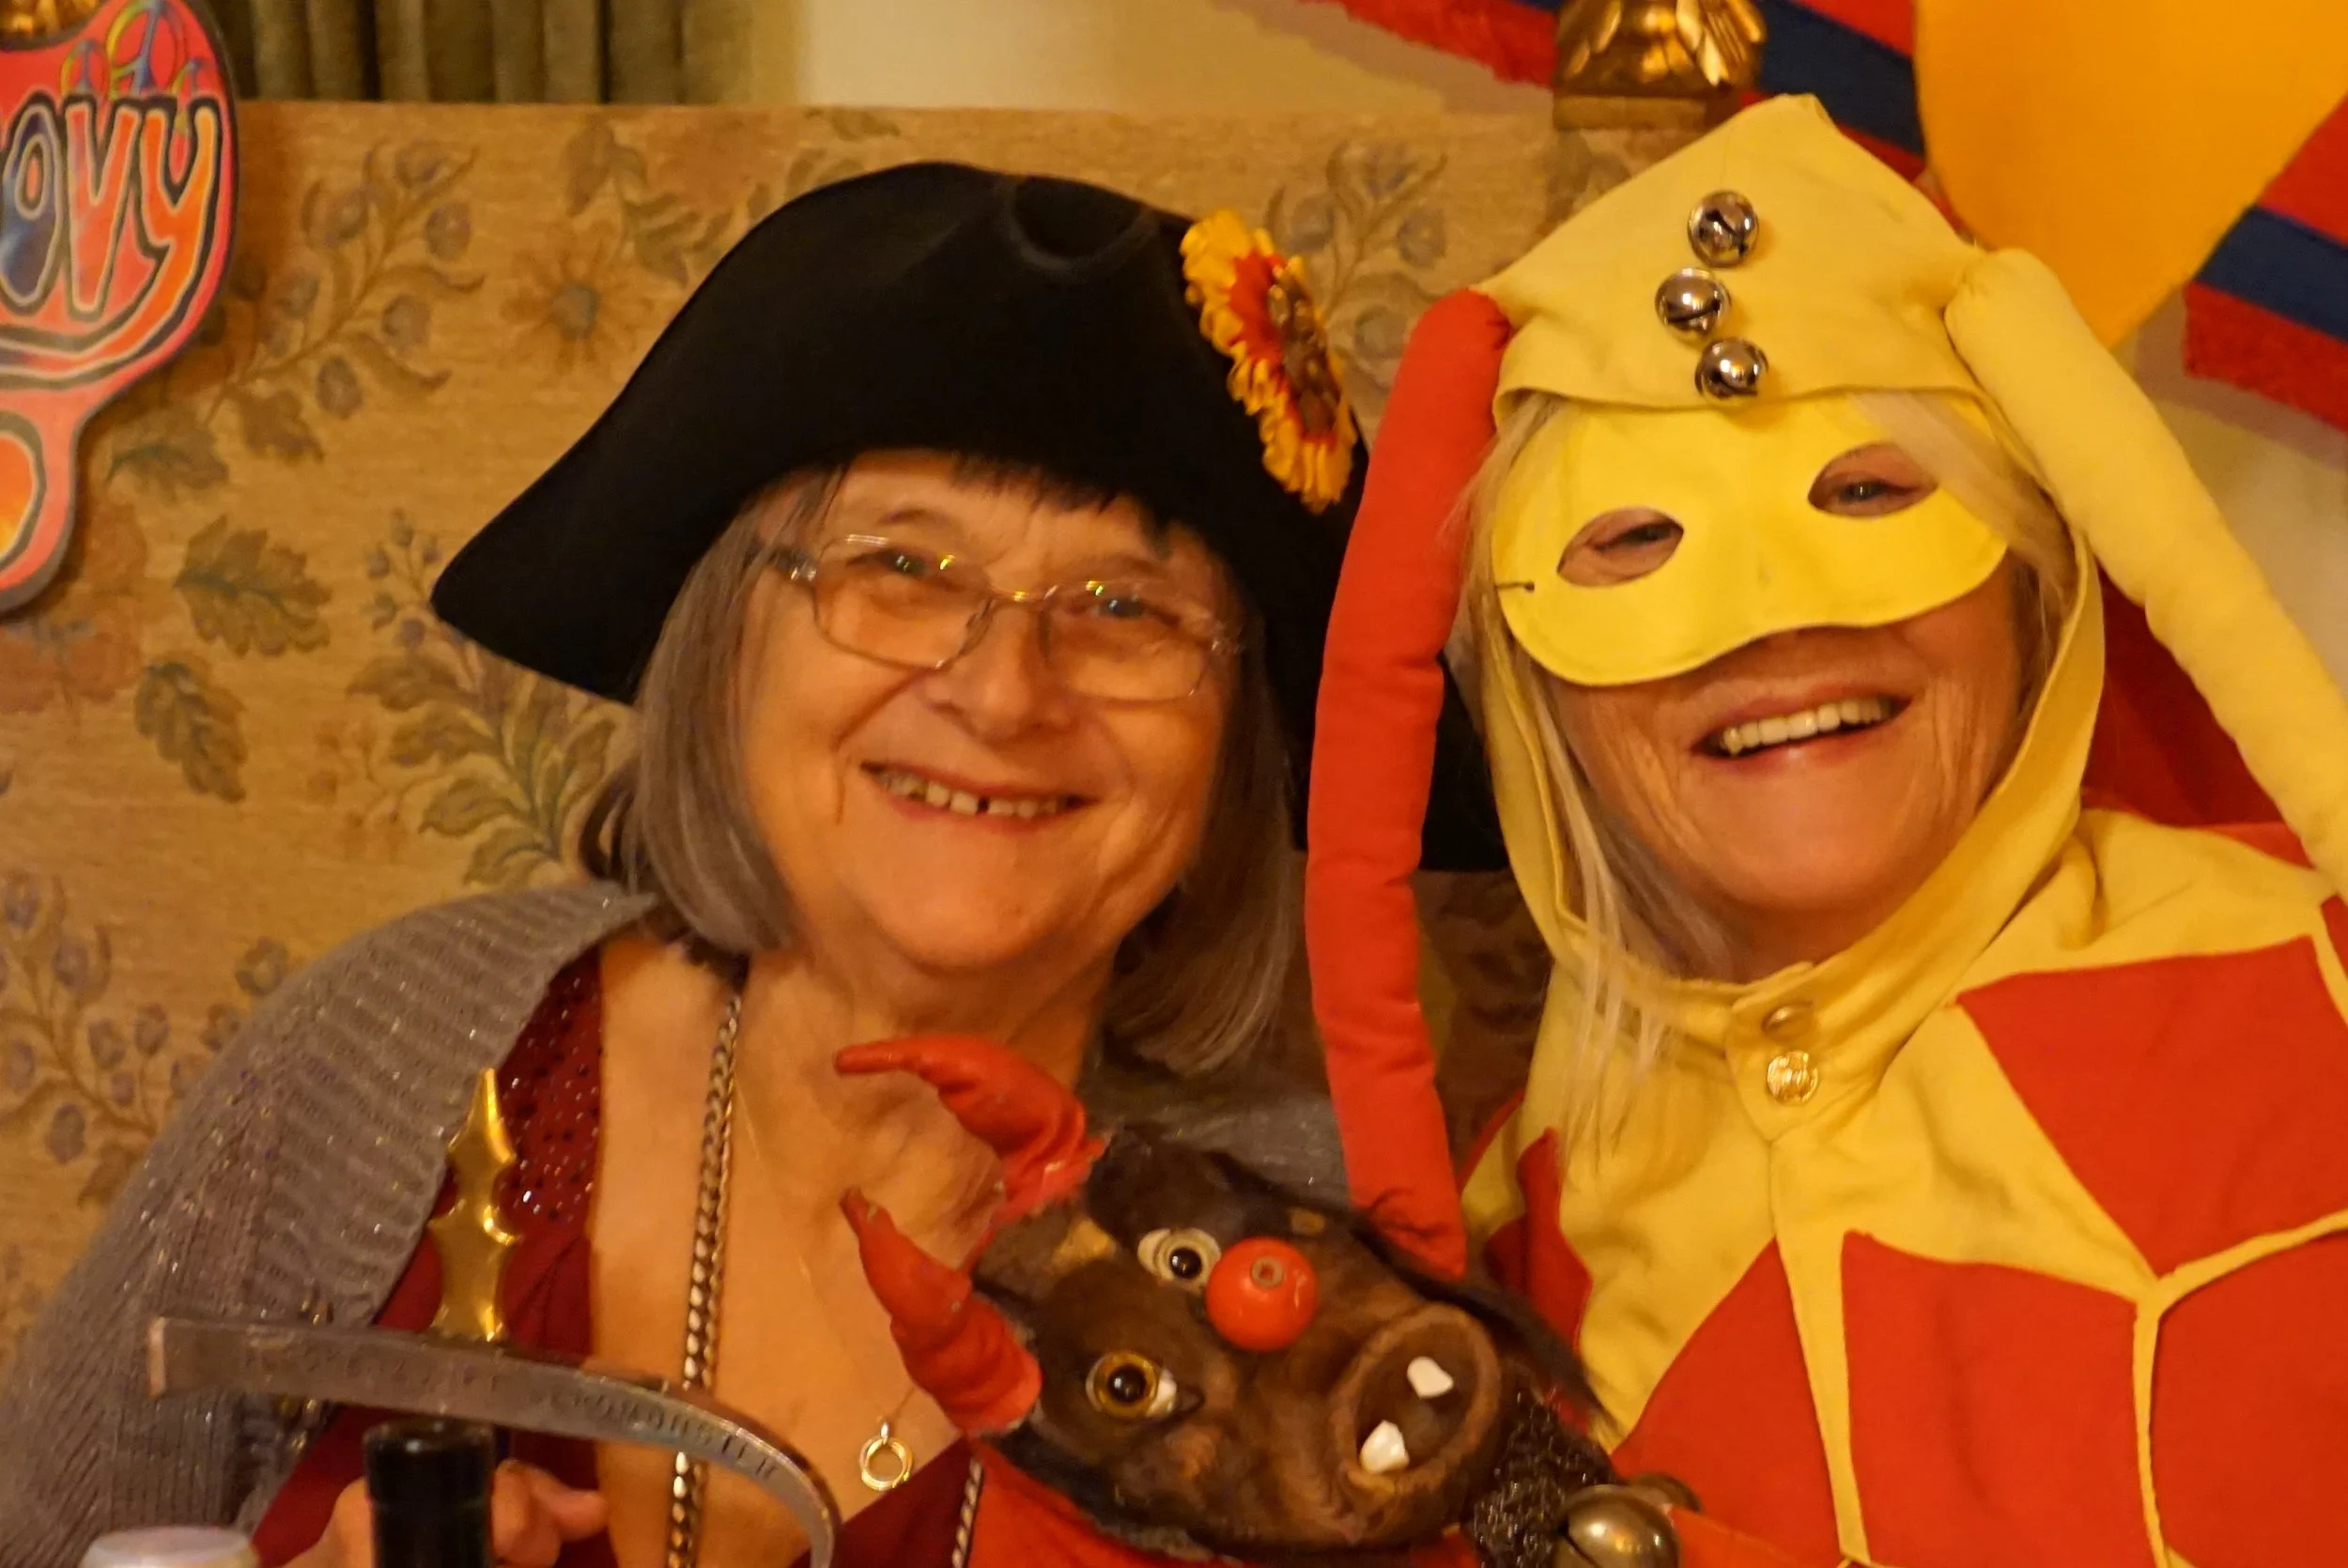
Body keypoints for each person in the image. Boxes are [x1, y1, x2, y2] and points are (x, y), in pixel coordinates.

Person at [0, 163, 1491, 1568]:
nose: (1004, 692)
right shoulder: (383, 1051)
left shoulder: (1337, 1254)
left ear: (1239, 747)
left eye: (1127, 608)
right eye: (900, 569)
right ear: (726, 649)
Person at [1306, 96, 2348, 1567]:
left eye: (1869, 495)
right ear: (1532, 694)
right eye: (1635, 542)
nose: (1774, 620)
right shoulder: (1510, 1229)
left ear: (2031, 585)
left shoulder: (2313, 1000)